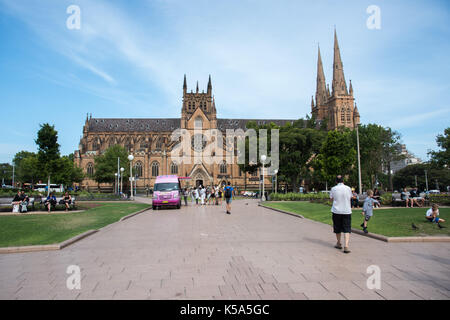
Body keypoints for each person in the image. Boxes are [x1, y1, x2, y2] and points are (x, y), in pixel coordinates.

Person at [330, 175, 353, 254]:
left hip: (336, 211)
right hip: (346, 211)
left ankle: (339, 243)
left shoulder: (333, 189)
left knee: (337, 227)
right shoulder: (348, 188)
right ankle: (346, 245)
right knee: (347, 228)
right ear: (343, 181)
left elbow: (331, 199)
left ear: (336, 181)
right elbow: (350, 197)